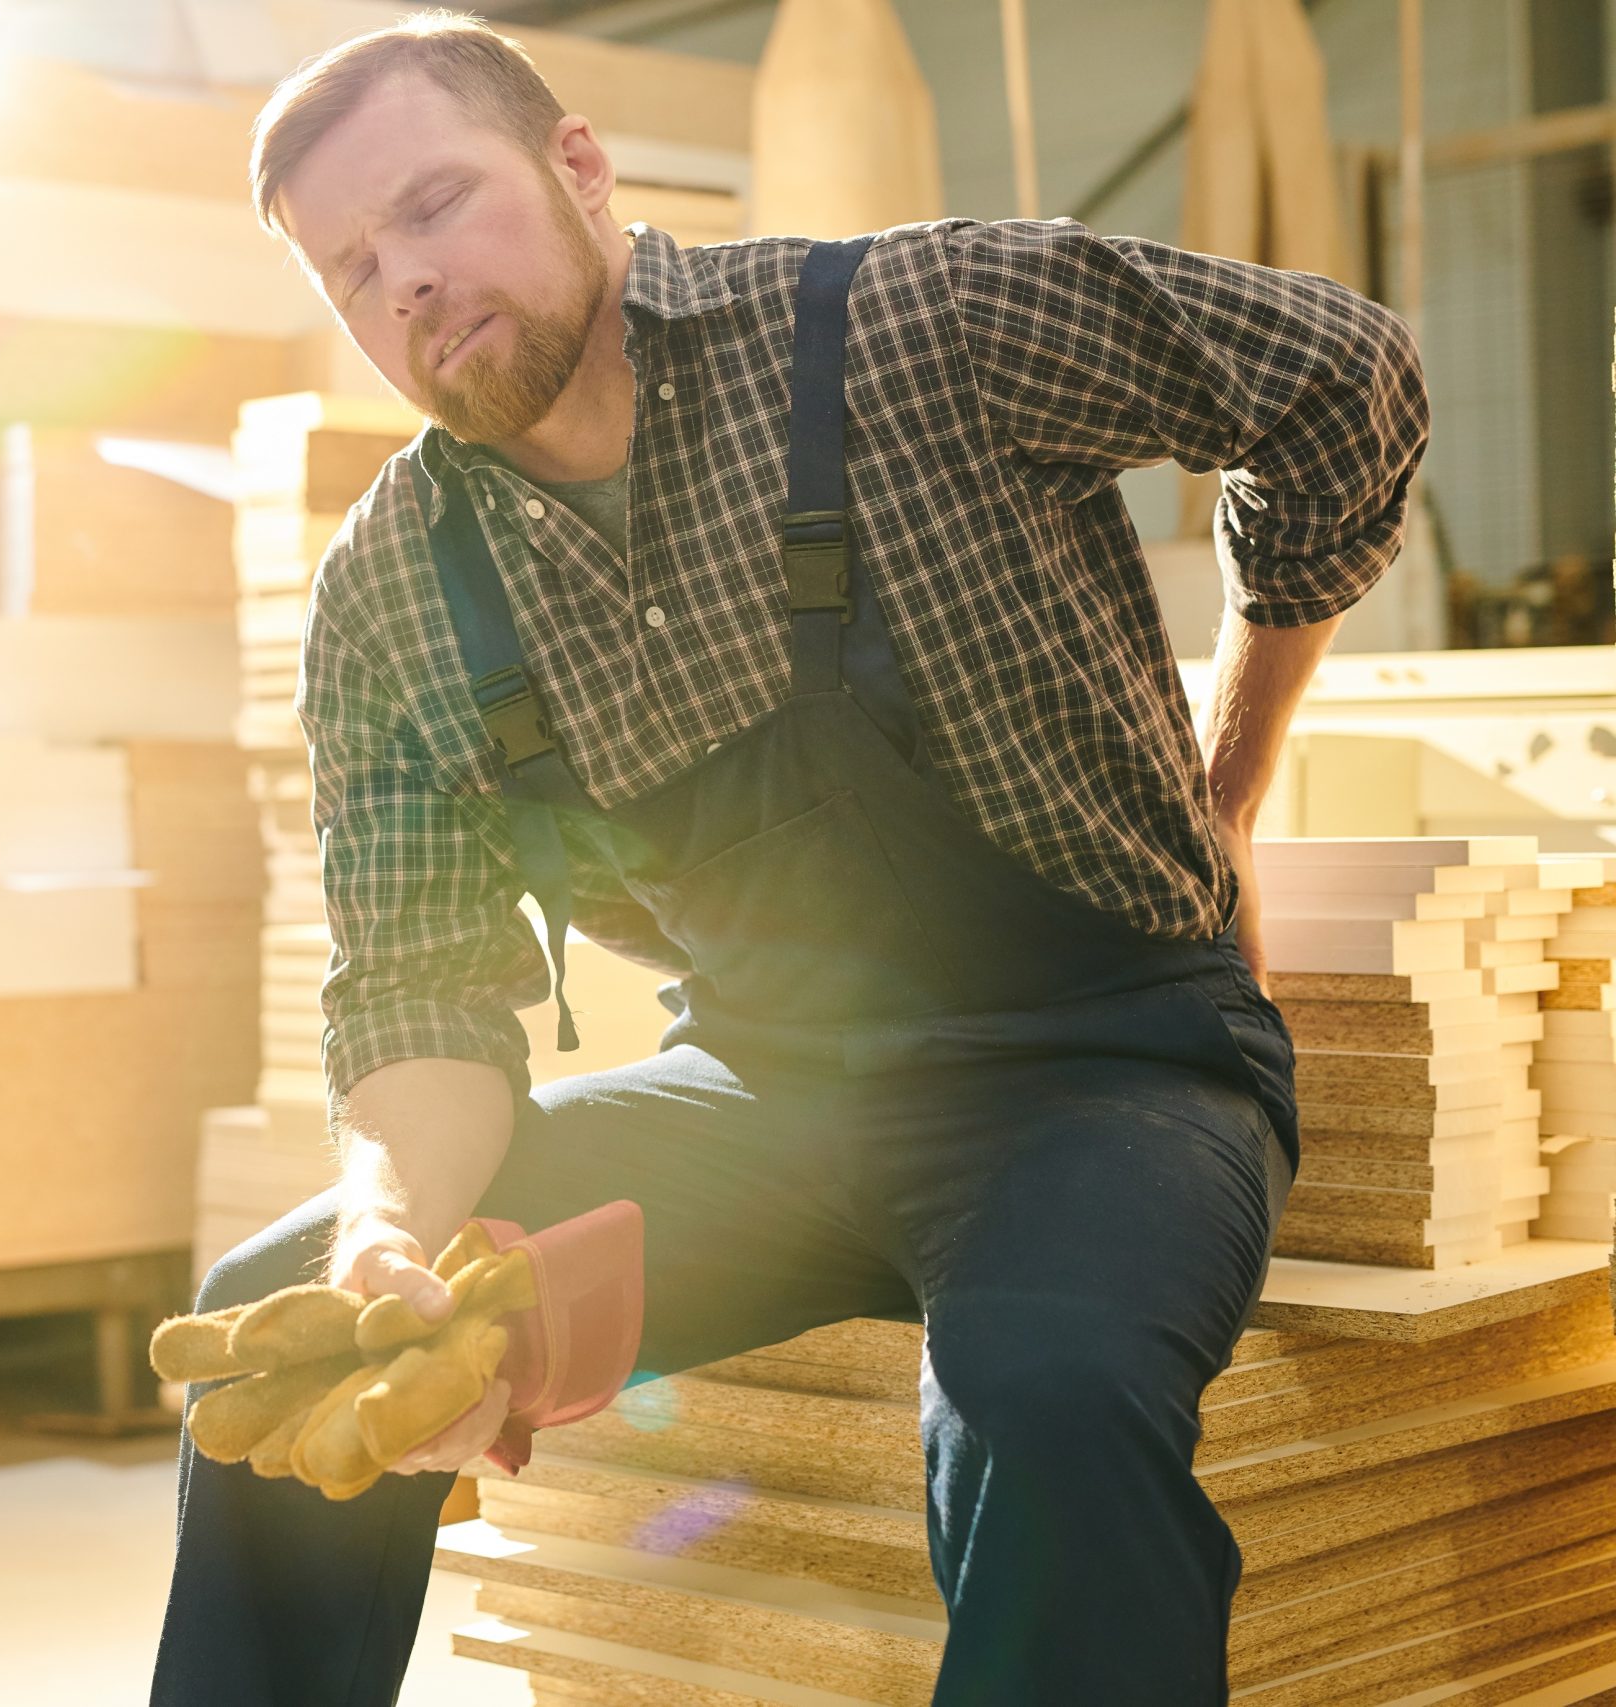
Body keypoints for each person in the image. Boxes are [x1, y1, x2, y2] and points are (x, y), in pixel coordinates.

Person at [150, 13, 1428, 1704]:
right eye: (352, 265)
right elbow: (418, 990)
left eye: (439, 202)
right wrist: (389, 1241)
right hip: (766, 1094)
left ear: (581, 167)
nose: (407, 281)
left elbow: (1347, 380)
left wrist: (1233, 776)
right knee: (283, 1341)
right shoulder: (393, 598)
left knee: (1042, 1398)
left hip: (1111, 1070)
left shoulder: (917, 323)